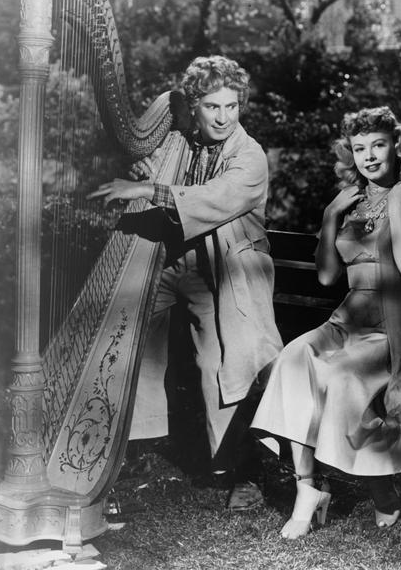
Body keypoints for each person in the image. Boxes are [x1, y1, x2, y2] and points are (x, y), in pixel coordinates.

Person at [250, 106, 401, 539]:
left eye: (378, 145)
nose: (368, 156)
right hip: (346, 321)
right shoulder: (351, 204)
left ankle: (381, 490)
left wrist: (398, 208)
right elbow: (328, 276)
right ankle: (307, 488)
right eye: (359, 148)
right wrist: (330, 216)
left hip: (390, 328)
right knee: (292, 360)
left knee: (339, 377)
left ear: (396, 148)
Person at [87, 55, 282, 510]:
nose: (223, 117)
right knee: (121, 337)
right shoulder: (183, 141)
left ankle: (243, 470)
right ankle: (121, 449)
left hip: (223, 269)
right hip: (169, 262)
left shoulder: (249, 156)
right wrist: (141, 172)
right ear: (194, 107)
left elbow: (215, 198)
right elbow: (152, 169)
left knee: (222, 364)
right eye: (212, 107)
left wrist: (146, 189)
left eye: (231, 106)